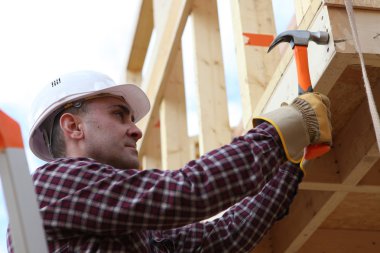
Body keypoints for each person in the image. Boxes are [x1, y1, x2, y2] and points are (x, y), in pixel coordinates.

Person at [7, 70, 332, 252]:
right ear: (73, 126)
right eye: (119, 115)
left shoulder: (128, 233)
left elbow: (220, 238)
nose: (135, 130)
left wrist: (289, 164)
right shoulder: (45, 189)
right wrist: (282, 131)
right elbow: (188, 191)